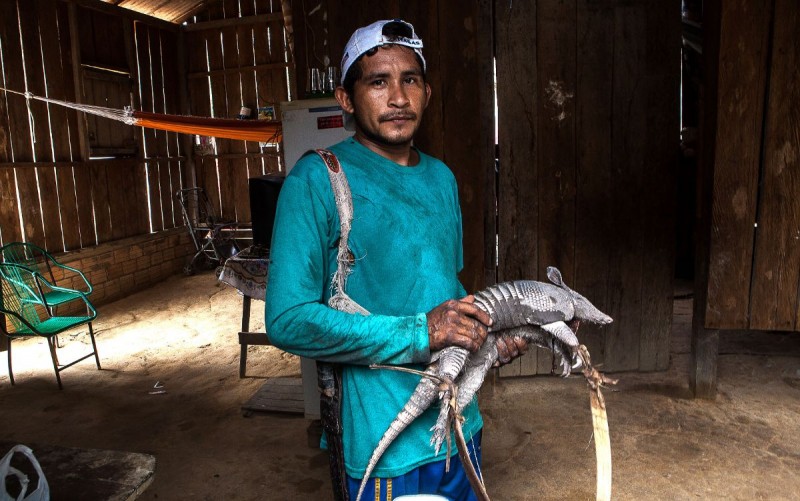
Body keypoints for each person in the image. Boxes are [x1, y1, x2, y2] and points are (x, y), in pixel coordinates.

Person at [265, 19, 527, 500]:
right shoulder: (317, 181)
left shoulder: (442, 179)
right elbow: (287, 319)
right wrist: (421, 332)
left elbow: (444, 292)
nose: (398, 98)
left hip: (461, 426)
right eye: (378, 82)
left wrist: (486, 338)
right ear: (346, 99)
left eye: (410, 80)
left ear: (426, 91)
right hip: (384, 447)